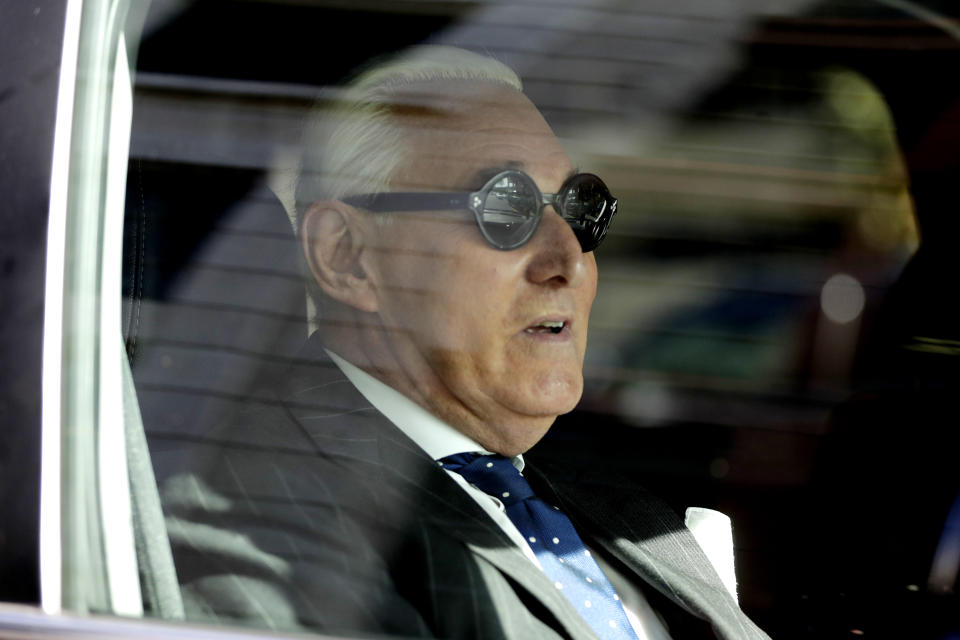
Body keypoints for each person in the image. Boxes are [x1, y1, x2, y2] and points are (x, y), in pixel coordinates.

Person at [159, 46, 771, 640]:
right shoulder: (258, 514)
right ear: (346, 256)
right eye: (508, 205)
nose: (571, 262)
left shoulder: (594, 493)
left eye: (580, 209)